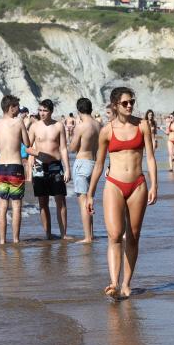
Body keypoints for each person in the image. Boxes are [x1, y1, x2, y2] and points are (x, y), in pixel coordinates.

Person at [86, 87, 158, 298]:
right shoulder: (106, 131)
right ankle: (114, 282)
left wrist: (155, 185)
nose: (130, 105)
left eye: (132, 102)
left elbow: (151, 158)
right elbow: (99, 165)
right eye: (125, 103)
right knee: (115, 235)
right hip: (114, 184)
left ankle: (126, 283)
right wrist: (90, 193)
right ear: (115, 105)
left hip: (138, 184)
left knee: (133, 236)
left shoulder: (142, 125)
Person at [27, 99, 71, 240]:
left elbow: (63, 148)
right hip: (39, 167)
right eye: (40, 110)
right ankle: (48, 233)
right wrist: (38, 155)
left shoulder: (58, 126)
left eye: (45, 110)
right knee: (42, 202)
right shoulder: (34, 127)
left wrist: (67, 169)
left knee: (60, 201)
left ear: (51, 111)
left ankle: (64, 234)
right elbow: (27, 148)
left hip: (55, 166)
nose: (42, 113)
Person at [0, 95, 30, 244]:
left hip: (1, 167)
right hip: (15, 166)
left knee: (2, 206)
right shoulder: (18, 121)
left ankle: (2, 240)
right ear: (11, 108)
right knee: (16, 206)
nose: (18, 110)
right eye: (17, 107)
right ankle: (15, 239)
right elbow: (27, 143)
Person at [69, 97, 100, 243]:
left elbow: (73, 148)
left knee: (83, 202)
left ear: (79, 110)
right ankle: (91, 234)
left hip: (82, 162)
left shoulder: (81, 126)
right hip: (94, 162)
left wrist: (71, 134)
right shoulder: (99, 125)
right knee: (89, 200)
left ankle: (87, 237)